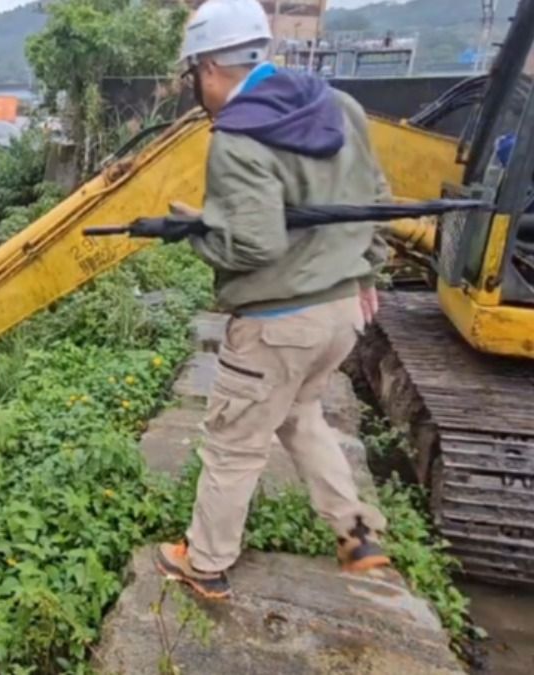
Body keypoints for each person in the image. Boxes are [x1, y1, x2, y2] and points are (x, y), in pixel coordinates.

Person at [154, 0, 391, 600]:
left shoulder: (237, 134)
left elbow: (253, 245)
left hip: (278, 322)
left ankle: (205, 564)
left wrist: (199, 230)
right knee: (301, 417)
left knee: (233, 445)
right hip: (340, 313)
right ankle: (357, 531)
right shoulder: (340, 106)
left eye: (193, 76)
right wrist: (366, 276)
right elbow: (378, 201)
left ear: (209, 68)